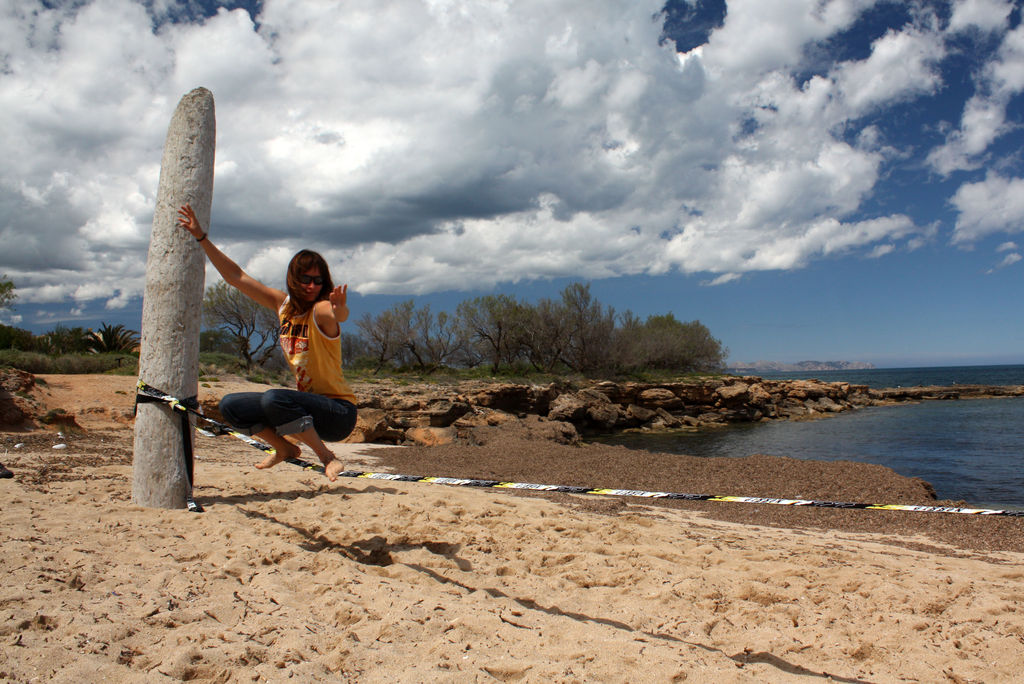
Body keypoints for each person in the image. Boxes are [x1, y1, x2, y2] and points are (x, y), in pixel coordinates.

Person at [177, 204, 357, 482]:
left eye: (318, 280)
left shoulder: (321, 309)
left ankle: (328, 457)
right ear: (293, 279)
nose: (312, 286)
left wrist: (340, 309)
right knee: (231, 405)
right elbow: (236, 277)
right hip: (305, 413)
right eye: (305, 279)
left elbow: (337, 316)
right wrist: (201, 238)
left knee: (276, 397)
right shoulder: (281, 305)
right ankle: (284, 448)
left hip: (338, 413)